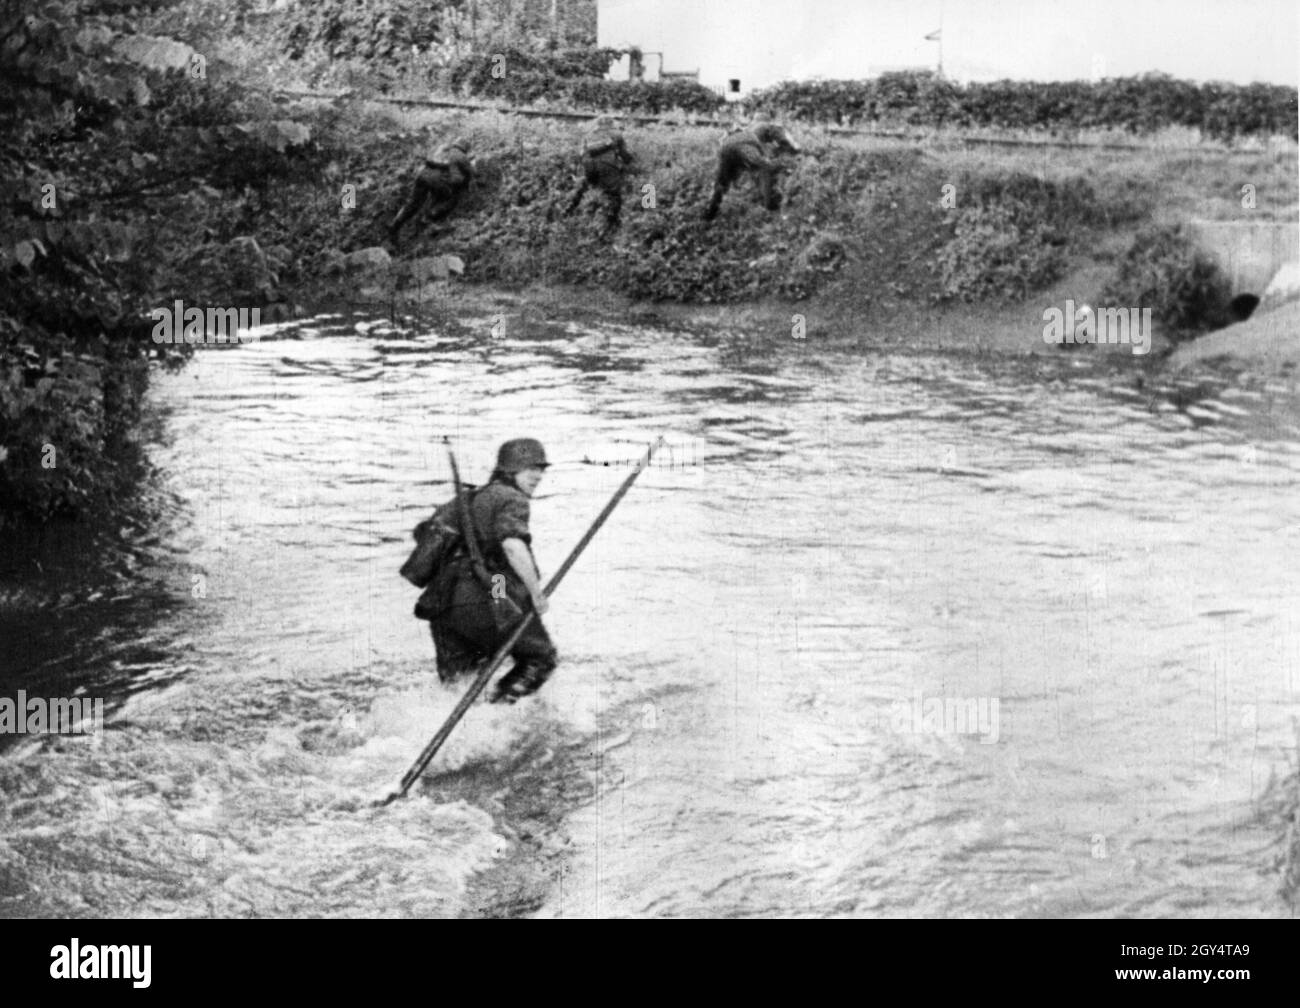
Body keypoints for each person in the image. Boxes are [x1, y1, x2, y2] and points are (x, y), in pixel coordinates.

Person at [424, 438, 558, 704]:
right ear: (509, 469)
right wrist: (536, 594)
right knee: (539, 658)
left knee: (460, 683)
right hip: (491, 592)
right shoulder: (512, 498)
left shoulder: (472, 498)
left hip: (444, 602)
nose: (538, 475)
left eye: (541, 469)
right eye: (530, 468)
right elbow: (512, 546)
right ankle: (497, 713)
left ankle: (467, 731)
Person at [702, 118, 801, 222]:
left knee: (721, 184)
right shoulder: (766, 128)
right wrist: (794, 150)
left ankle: (710, 213)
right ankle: (770, 204)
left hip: (726, 147)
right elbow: (782, 137)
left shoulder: (749, 128)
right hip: (745, 144)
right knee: (767, 166)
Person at [388, 138, 476, 244]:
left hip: (422, 174)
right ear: (465, 148)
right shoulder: (461, 156)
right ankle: (429, 216)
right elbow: (472, 172)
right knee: (451, 197)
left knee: (412, 204)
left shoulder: (443, 148)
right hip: (436, 180)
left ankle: (395, 225)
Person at [565, 115, 637, 234]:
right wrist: (632, 163)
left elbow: (581, 154)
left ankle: (570, 209)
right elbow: (625, 155)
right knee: (614, 195)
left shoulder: (588, 135)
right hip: (607, 167)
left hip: (589, 167)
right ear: (611, 124)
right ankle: (610, 228)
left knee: (584, 187)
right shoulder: (616, 135)